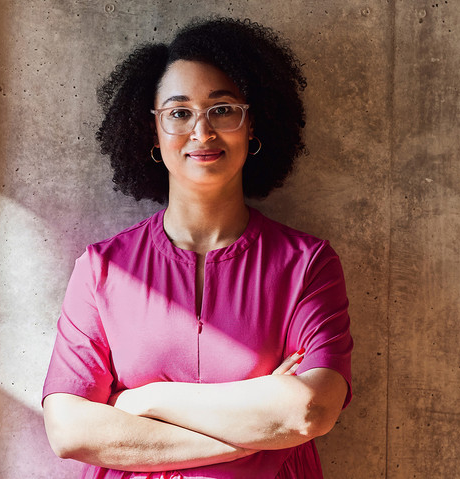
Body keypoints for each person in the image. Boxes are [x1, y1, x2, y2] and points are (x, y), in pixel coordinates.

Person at [42, 17, 353, 478]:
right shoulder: (102, 269)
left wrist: (146, 401)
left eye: (223, 109)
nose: (202, 132)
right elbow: (71, 432)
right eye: (179, 112)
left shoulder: (307, 265)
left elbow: (309, 412)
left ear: (253, 124)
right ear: (151, 132)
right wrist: (262, 430)